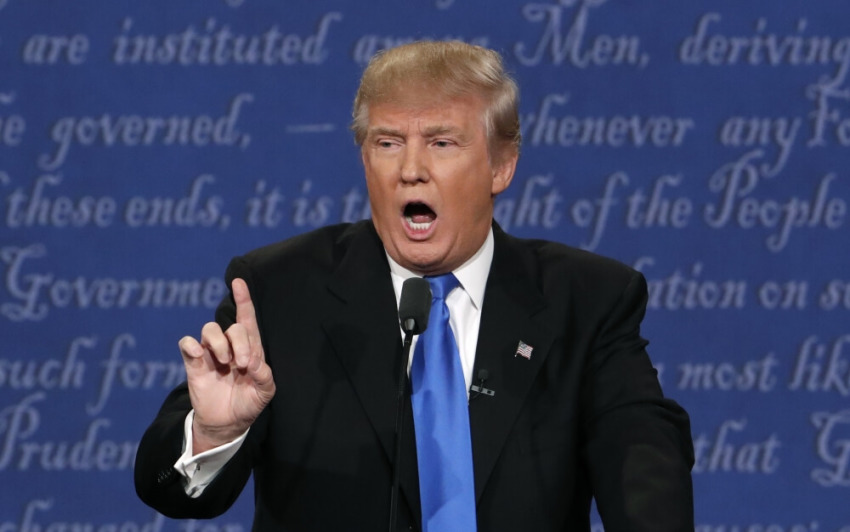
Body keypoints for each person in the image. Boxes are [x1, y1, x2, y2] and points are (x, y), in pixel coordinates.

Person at [135, 40, 694, 531]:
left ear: (502, 166)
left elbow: (643, 465)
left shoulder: (588, 300)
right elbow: (166, 489)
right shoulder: (277, 292)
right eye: (387, 143)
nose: (410, 170)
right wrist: (213, 433)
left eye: (442, 143)